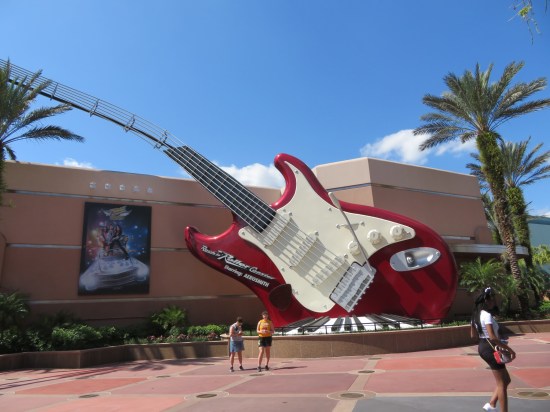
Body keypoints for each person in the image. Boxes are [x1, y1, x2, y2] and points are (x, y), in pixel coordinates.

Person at [471, 287, 516, 412]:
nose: (494, 302)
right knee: (502, 384)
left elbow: (472, 335)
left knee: (506, 380)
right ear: (486, 300)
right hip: (491, 347)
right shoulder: (486, 315)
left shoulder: (475, 316)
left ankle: (491, 404)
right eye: (492, 299)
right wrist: (510, 350)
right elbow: (493, 337)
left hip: (482, 346)